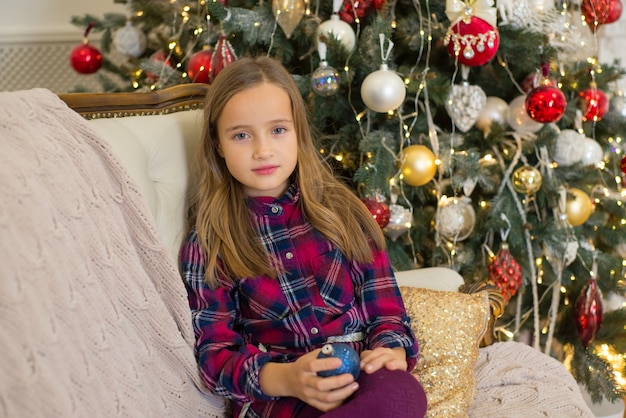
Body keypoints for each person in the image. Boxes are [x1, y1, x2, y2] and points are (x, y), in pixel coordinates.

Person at [180, 56, 427, 418]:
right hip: (283, 395)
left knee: (403, 393)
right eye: (241, 135)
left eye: (278, 130)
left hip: (362, 379)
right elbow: (215, 356)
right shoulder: (210, 241)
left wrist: (391, 350)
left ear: (298, 132)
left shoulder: (342, 212)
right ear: (218, 144)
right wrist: (288, 379)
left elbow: (386, 312)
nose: (262, 150)